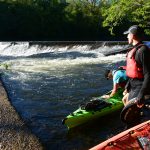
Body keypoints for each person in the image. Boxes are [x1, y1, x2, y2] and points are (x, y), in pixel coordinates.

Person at [122, 25, 150, 108]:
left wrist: (141, 94)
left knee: (132, 112)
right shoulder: (135, 49)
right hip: (133, 86)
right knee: (124, 100)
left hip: (140, 87)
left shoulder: (143, 51)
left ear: (133, 35)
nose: (127, 36)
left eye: (128, 34)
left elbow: (148, 74)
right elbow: (133, 73)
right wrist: (127, 87)